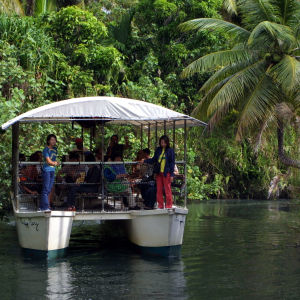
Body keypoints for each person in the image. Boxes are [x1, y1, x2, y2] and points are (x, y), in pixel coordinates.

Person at [142, 135, 175, 209]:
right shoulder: (158, 150)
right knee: (159, 189)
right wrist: (145, 161)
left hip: (166, 172)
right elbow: (153, 159)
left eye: (164, 142)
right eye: (162, 142)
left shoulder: (170, 151)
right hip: (159, 172)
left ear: (167, 143)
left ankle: (169, 205)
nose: (163, 144)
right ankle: (160, 205)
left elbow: (172, 163)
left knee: (167, 189)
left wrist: (172, 174)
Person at [40, 134, 60, 212]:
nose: (53, 141)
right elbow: (49, 161)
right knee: (45, 189)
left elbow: (54, 160)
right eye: (52, 140)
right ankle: (45, 207)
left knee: (49, 188)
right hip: (46, 170)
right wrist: (54, 163)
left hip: (52, 170)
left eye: (54, 140)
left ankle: (43, 205)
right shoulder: (46, 149)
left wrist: (54, 163)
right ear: (48, 141)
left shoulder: (55, 149)